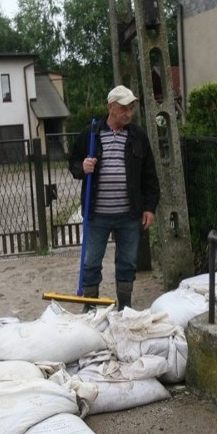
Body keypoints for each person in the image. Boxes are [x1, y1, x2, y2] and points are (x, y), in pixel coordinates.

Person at [68, 85, 160, 311]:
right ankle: (90, 307)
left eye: (131, 108)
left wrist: (150, 207)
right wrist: (83, 166)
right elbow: (73, 163)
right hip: (97, 214)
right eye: (124, 108)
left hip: (129, 215)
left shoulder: (138, 136)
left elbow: (149, 174)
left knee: (127, 264)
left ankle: (124, 306)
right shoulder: (91, 133)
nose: (129, 113)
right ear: (110, 107)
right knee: (90, 263)